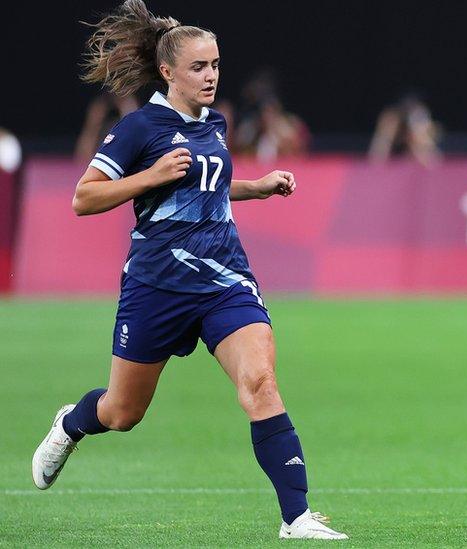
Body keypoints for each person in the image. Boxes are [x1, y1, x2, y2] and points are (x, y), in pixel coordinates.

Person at [30, 0, 347, 540]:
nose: (210, 76)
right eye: (199, 67)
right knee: (122, 412)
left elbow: (207, 187)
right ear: (168, 71)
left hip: (224, 281)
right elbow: (84, 198)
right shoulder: (139, 128)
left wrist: (257, 186)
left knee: (260, 383)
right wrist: (150, 176)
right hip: (157, 287)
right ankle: (72, 422)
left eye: (216, 65)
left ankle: (296, 518)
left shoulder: (215, 123)